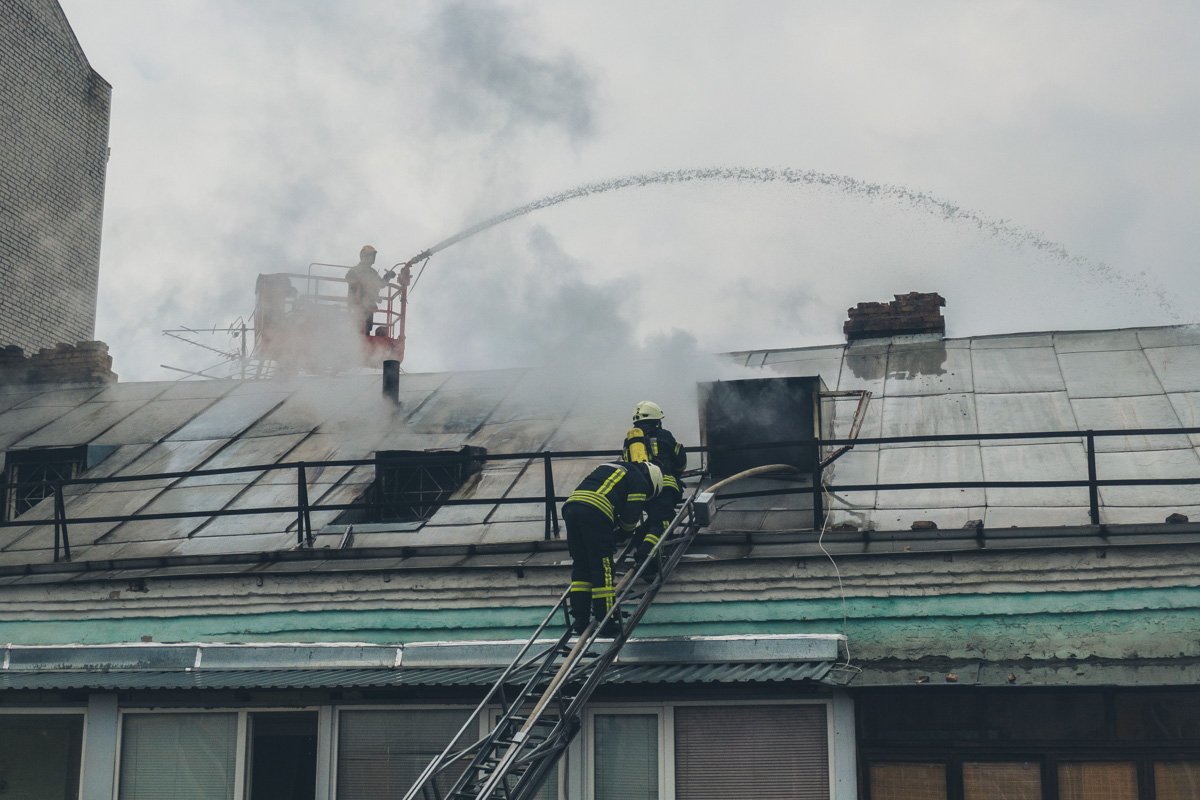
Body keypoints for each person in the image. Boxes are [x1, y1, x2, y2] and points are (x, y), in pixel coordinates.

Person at [563, 459, 663, 636]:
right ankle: (606, 619)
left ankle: (580, 619)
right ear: (651, 481)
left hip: (572, 507)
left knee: (581, 566)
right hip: (595, 509)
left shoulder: (613, 467)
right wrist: (623, 534)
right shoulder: (640, 481)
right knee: (604, 566)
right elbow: (630, 518)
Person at [622, 401, 688, 576]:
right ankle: (645, 555)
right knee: (664, 521)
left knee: (654, 519)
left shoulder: (629, 441)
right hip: (664, 486)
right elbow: (680, 462)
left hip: (641, 490)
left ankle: (640, 540)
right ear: (657, 420)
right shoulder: (664, 435)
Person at [345, 245, 395, 335]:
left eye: (373, 256)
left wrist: (388, 276)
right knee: (356, 330)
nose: (371, 258)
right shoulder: (355, 270)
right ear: (364, 256)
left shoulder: (373, 272)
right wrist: (363, 283)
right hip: (356, 307)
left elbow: (380, 284)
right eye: (370, 255)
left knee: (366, 330)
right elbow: (348, 278)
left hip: (368, 308)